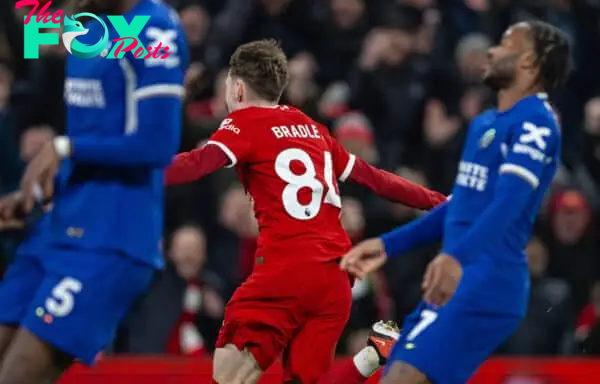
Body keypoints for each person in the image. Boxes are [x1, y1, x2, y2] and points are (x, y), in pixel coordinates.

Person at [163, 39, 447, 384]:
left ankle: (373, 356)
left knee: (228, 378)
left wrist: (130, 168)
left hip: (285, 271)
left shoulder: (243, 122)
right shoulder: (313, 130)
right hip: (335, 278)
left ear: (237, 88)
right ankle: (372, 356)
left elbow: (196, 164)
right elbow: (378, 180)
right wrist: (442, 203)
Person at [341, 20, 571, 384]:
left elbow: (508, 204)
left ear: (530, 62)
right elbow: (460, 207)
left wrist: (455, 257)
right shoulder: (485, 124)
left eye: (506, 45)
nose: (492, 52)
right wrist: (388, 245)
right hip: (458, 279)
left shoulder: (536, 124)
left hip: (489, 280)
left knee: (400, 378)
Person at [0, 0, 187, 383]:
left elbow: (157, 144)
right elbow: (22, 37)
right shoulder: (91, 27)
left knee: (16, 375)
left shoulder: (156, 33)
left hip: (110, 241)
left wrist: (65, 147)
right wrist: (30, 193)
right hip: (56, 228)